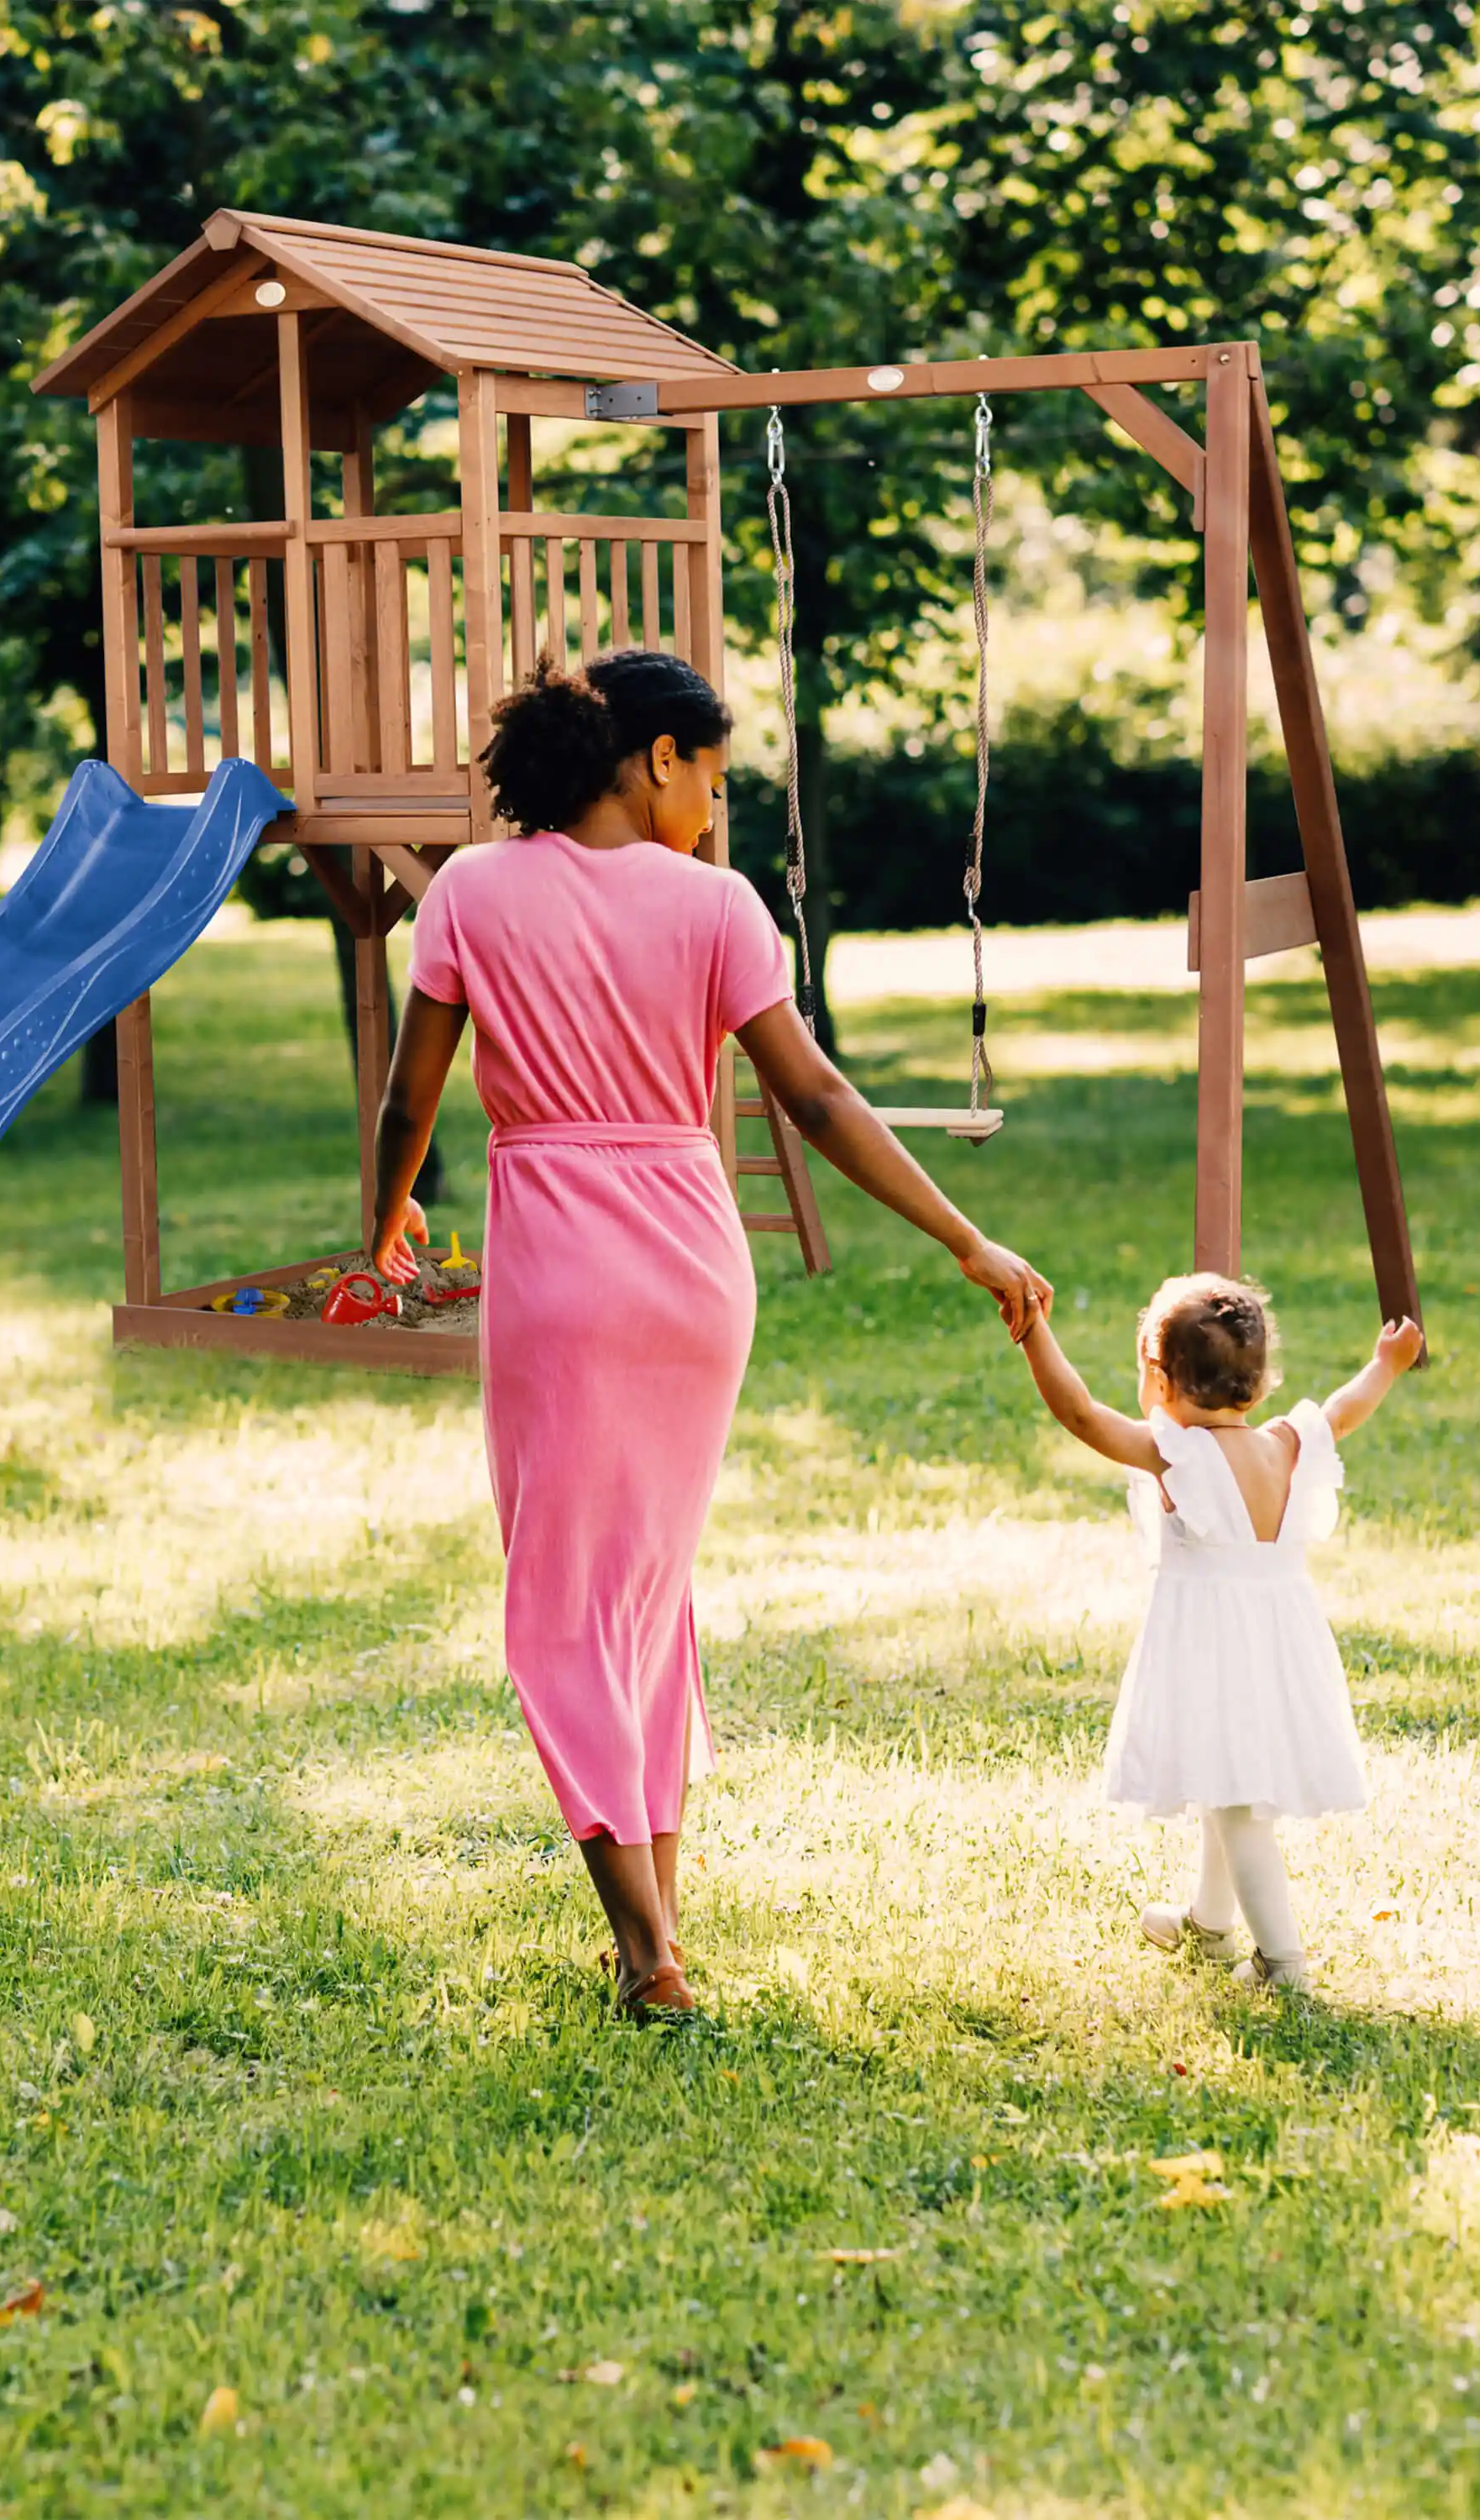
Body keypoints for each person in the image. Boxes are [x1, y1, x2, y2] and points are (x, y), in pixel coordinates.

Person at [368, 651, 1049, 2019]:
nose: (716, 811)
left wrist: (381, 1228)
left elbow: (409, 1102)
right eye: (713, 779)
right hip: (691, 1270)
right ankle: (657, 1927)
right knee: (643, 1594)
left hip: (559, 1271)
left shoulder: (471, 893)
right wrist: (965, 1237)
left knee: (565, 1605)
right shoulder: (719, 908)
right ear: (654, 758)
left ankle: (644, 1950)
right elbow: (817, 1101)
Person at [1015, 1272, 1425, 1989]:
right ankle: (1209, 1924)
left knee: (1237, 1806)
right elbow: (1344, 1408)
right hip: (1279, 1644)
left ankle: (1283, 1963)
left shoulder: (1177, 1455)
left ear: (1160, 1380)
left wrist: (1033, 1331)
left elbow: (1080, 1414)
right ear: (1260, 1384)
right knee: (1222, 1777)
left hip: (1214, 1648)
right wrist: (1384, 1365)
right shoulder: (1287, 1443)